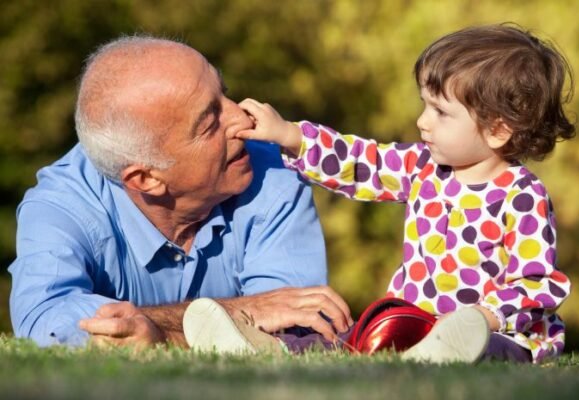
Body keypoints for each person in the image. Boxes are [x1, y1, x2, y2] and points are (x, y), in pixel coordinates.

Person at [201, 24, 574, 363]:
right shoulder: (423, 167)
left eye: (441, 113)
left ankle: (455, 348)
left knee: (492, 350)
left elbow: (535, 284)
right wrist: (291, 136)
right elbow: (364, 163)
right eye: (424, 105)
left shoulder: (522, 196)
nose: (422, 121)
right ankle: (262, 345)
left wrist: (484, 317)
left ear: (497, 130)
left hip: (500, 333)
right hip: (411, 324)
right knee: (349, 337)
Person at [8, 36, 354, 348]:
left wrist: (157, 330)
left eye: (225, 92)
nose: (244, 119)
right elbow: (47, 324)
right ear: (145, 179)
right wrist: (233, 314)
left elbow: (295, 329)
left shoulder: (273, 171)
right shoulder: (62, 205)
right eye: (209, 123)